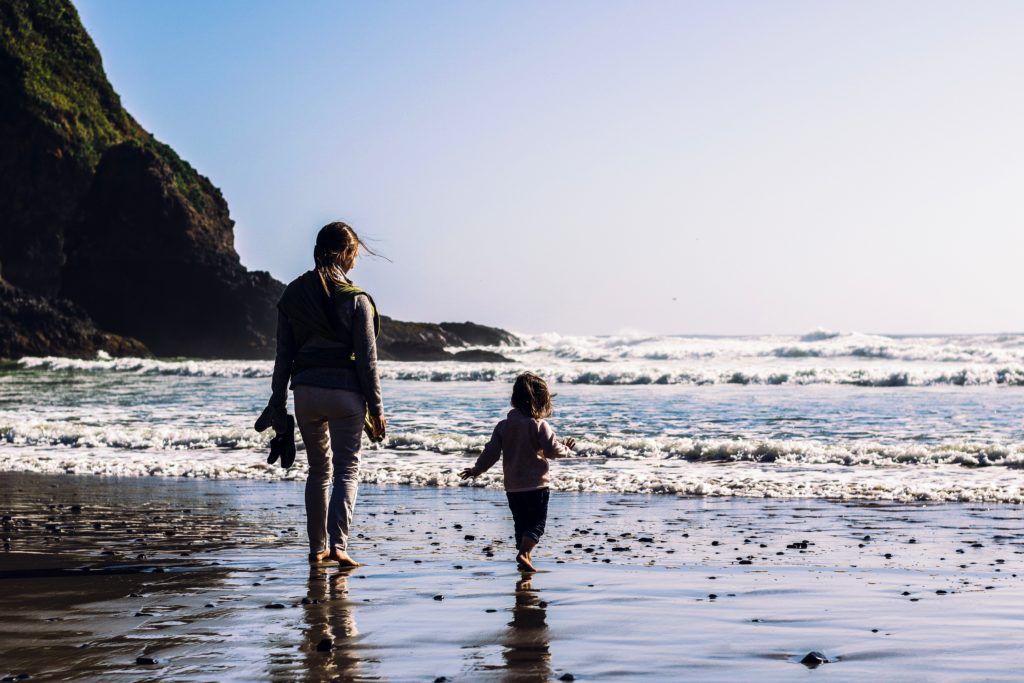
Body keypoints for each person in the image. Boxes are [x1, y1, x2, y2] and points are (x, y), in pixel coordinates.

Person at [259, 221, 386, 567]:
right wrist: (377, 408)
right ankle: (339, 546)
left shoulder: (293, 295)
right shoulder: (357, 300)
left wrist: (277, 402)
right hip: (346, 396)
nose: (356, 260)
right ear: (346, 253)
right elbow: (367, 362)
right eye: (355, 253)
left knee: (318, 471)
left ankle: (317, 550)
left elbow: (283, 356)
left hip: (306, 394)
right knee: (347, 469)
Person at [459, 372, 575, 572]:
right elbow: (552, 450)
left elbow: (491, 452)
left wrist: (477, 469)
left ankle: (526, 557)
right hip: (537, 486)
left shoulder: (503, 426)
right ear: (540, 401)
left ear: (514, 399)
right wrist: (566, 448)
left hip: (513, 487)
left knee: (520, 525)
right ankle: (523, 554)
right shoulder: (539, 425)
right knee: (537, 525)